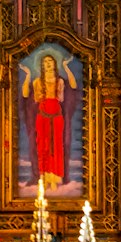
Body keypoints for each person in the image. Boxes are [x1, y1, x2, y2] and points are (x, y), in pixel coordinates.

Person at [20, 51, 78, 189]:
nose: (47, 64)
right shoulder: (37, 82)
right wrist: (27, 75)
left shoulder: (60, 82)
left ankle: (55, 178)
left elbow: (74, 86)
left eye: (50, 61)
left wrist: (66, 67)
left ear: (54, 64)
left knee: (57, 146)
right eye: (45, 62)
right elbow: (25, 94)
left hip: (57, 117)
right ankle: (44, 177)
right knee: (43, 146)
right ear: (42, 65)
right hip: (42, 116)